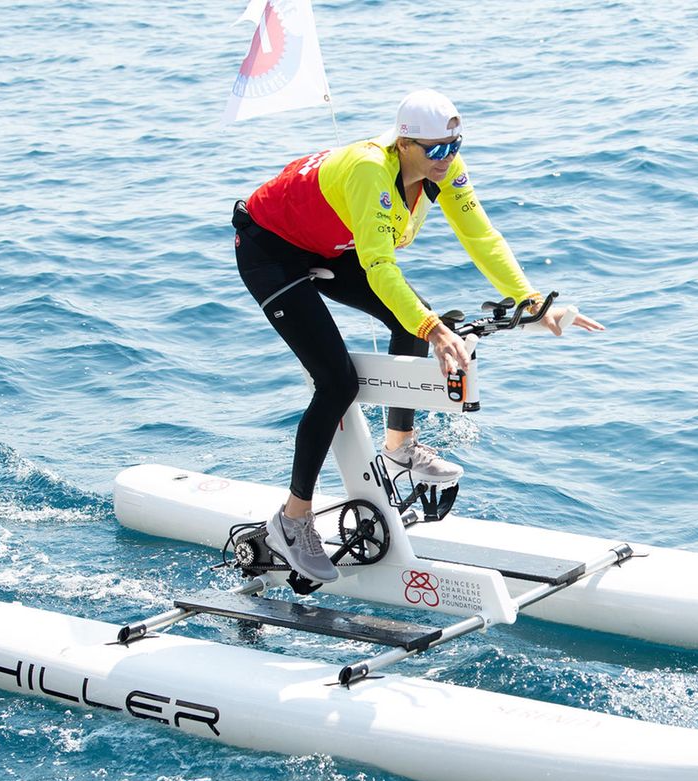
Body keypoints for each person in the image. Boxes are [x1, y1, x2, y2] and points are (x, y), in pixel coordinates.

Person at [232, 89, 603, 583]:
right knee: (337, 382)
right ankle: (292, 520)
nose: (447, 158)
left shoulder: (443, 169)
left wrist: (531, 300)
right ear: (403, 144)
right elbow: (380, 266)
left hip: (329, 243)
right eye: (436, 149)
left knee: (412, 317)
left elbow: (480, 235)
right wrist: (431, 329)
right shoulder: (371, 170)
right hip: (270, 248)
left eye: (455, 146)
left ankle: (399, 446)